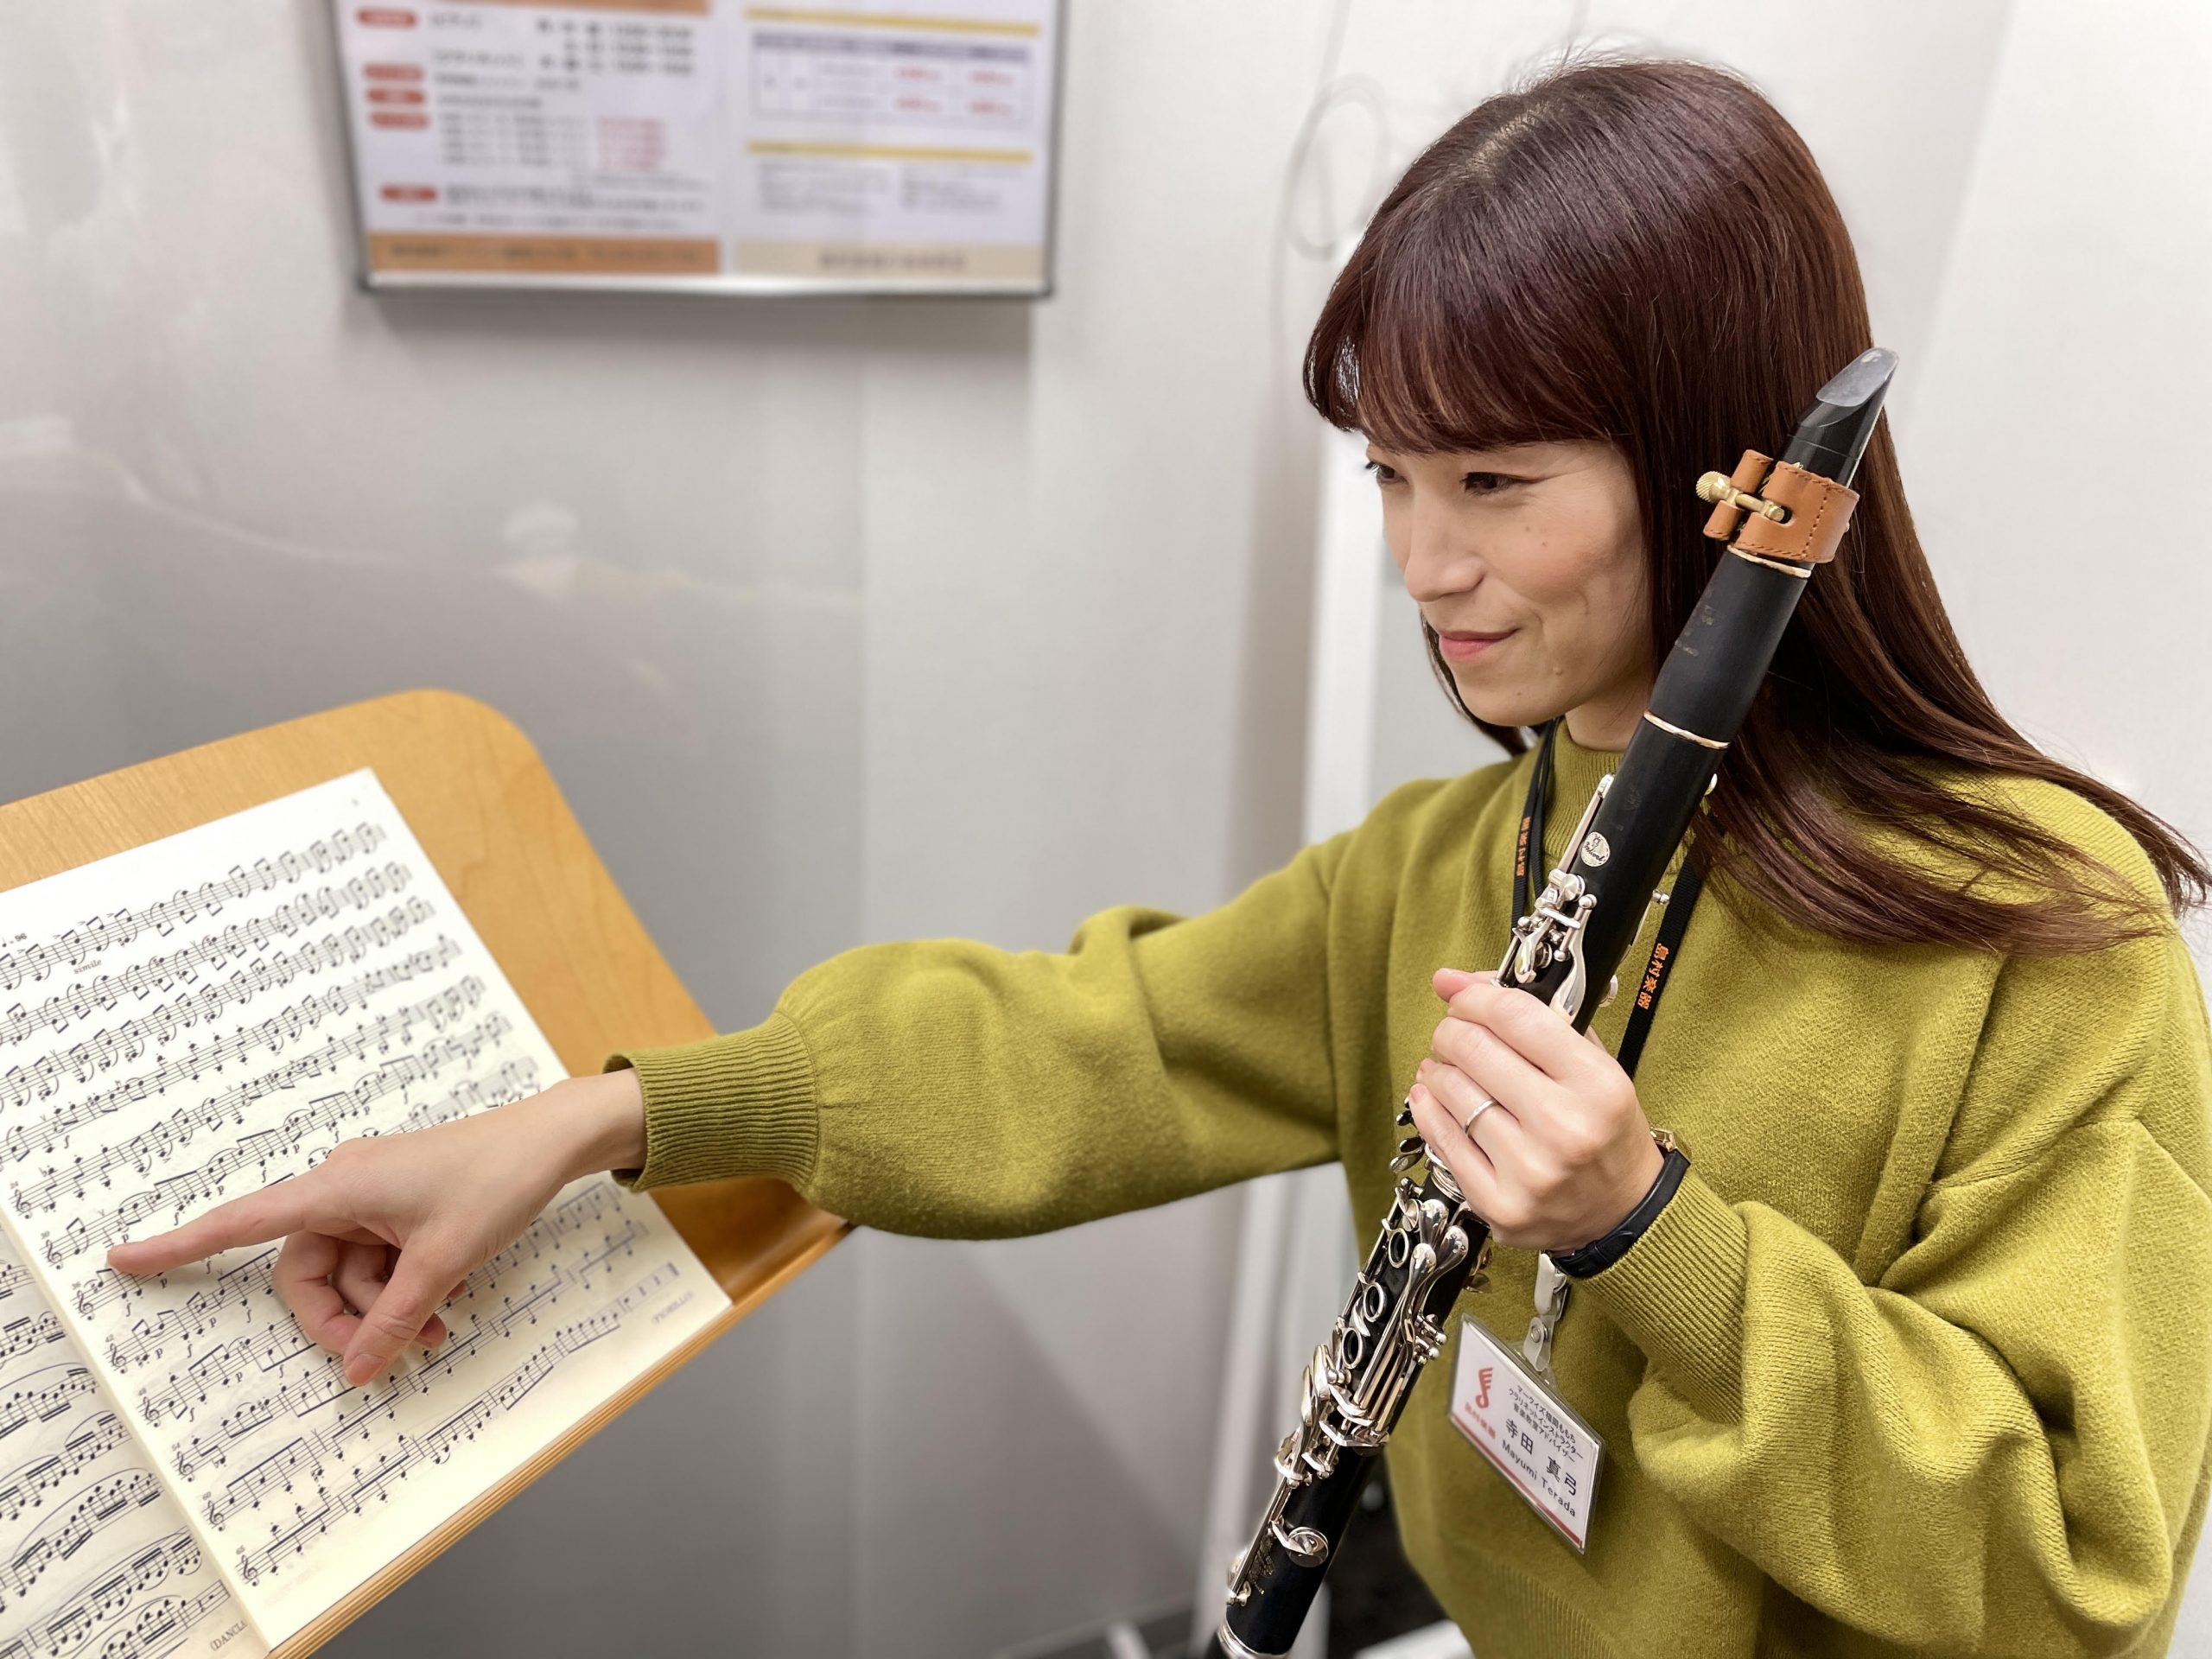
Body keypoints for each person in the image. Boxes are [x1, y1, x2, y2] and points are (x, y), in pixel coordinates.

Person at [108, 57, 2212, 1658]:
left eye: (1491, 476)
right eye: (1390, 471)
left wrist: (1641, 1228)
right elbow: (1077, 1046)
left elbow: (2062, 1572)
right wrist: (610, 1118)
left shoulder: (2043, 938)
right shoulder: (1458, 858)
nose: (1425, 568)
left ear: (1739, 473)